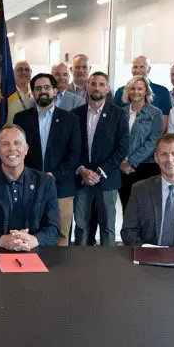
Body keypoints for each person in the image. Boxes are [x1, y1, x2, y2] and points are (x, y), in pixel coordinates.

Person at [13, 73, 80, 246]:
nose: (43, 91)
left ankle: (59, 273)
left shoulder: (70, 119)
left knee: (61, 234)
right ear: (33, 92)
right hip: (29, 185)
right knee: (29, 233)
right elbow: (18, 152)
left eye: (47, 87)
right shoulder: (21, 118)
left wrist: (55, 175)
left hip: (61, 186)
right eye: (38, 88)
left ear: (55, 91)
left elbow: (74, 153)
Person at [0, 124, 59, 249]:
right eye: (5, 144)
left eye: (17, 143)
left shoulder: (45, 183)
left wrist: (34, 240)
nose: (12, 148)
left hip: (35, 253)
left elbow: (53, 229)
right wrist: (2, 240)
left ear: (26, 148)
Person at [72, 72, 129, 246]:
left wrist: (100, 171)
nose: (97, 88)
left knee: (107, 227)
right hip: (81, 178)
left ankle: (107, 265)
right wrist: (82, 169)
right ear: (87, 87)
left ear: (108, 88)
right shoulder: (75, 114)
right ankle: (80, 262)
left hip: (107, 178)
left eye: (101, 84)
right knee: (81, 225)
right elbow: (71, 147)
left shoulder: (118, 114)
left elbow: (122, 147)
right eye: (93, 84)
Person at [118, 75, 163, 212]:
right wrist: (121, 162)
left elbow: (153, 141)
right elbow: (115, 140)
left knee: (145, 210)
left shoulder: (155, 113)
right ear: (127, 91)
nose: (136, 92)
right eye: (132, 88)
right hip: (122, 168)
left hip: (146, 167)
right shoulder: (121, 112)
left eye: (140, 88)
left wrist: (131, 161)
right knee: (127, 208)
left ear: (146, 91)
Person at [112, 56, 172, 130]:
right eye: (135, 67)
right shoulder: (120, 91)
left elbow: (163, 125)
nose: (138, 70)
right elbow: (114, 120)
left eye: (142, 67)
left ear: (149, 69)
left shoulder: (162, 92)